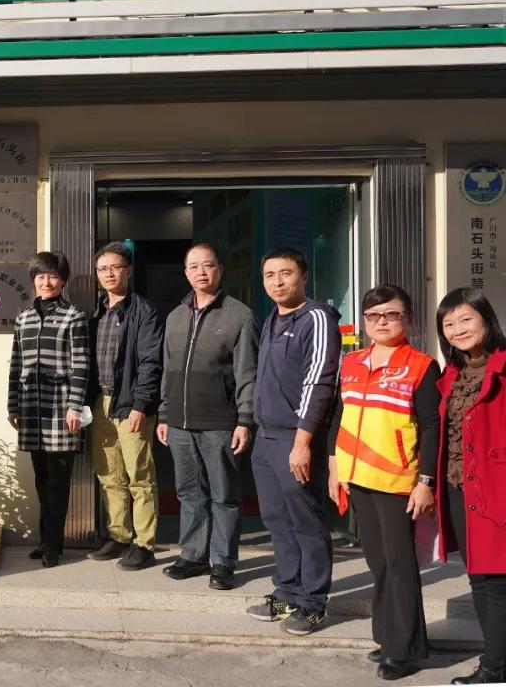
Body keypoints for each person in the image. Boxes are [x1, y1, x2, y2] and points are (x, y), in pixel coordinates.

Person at [327, 284, 440, 681]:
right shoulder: (352, 361)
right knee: (377, 562)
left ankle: (403, 651)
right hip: (357, 476)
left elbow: (431, 426)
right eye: (373, 315)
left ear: (407, 318)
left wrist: (426, 481)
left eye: (392, 314)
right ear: (364, 320)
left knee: (399, 563)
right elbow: (339, 415)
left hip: (397, 480)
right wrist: (334, 466)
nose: (382, 322)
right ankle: (388, 637)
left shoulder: (421, 366)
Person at [247, 247, 340, 636]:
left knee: (306, 519)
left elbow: (319, 382)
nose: (277, 281)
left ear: (303, 276)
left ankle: (313, 603)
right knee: (277, 519)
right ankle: (287, 592)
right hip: (266, 436)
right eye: (270, 275)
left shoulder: (316, 318)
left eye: (285, 273)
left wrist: (302, 443)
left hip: (295, 436)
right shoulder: (273, 317)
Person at [157, 243, 259, 590]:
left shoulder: (240, 316)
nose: (201, 272)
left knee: (224, 495)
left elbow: (248, 374)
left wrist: (245, 420)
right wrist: (164, 414)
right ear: (186, 273)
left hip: (220, 423)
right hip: (180, 423)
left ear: (220, 269)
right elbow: (167, 370)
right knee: (189, 492)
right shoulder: (175, 316)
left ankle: (223, 562)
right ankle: (193, 555)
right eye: (194, 266)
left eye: (208, 265)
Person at [434, 288, 506, 685]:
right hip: (459, 489)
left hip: (497, 488)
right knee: (479, 576)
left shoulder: (504, 367)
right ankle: (496, 662)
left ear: (486, 319)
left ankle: (494, 667)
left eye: (466, 319)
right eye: (449, 324)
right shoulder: (450, 375)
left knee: (497, 581)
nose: (457, 330)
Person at [85, 242, 164, 570]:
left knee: (139, 476)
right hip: (100, 403)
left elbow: (150, 362)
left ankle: (144, 543)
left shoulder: (143, 311)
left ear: (127, 271)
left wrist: (141, 405)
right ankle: (118, 535)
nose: (109, 274)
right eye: (102, 269)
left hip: (131, 403)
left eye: (115, 267)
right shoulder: (96, 311)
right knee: (109, 474)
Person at [7, 251, 89, 568]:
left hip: (61, 407)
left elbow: (81, 365)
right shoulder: (24, 318)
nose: (46, 281)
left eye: (52, 276)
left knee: (58, 481)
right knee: (42, 479)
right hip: (30, 407)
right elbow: (16, 364)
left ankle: (53, 545)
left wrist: (75, 406)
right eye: (40, 276)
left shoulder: (74, 316)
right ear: (34, 280)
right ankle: (46, 540)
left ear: (63, 280)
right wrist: (12, 404)